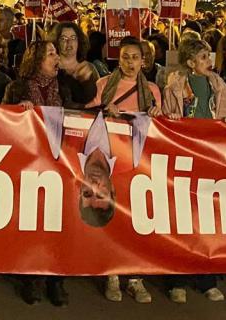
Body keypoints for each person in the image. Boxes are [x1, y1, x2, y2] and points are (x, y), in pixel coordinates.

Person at [85, 37, 161, 304]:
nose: (130, 63)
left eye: (135, 58)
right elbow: (86, 117)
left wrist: (156, 113)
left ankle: (134, 277)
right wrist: (104, 110)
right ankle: (113, 274)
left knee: (136, 220)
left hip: (139, 164)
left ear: (144, 61)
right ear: (119, 59)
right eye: (125, 57)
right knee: (114, 217)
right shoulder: (103, 85)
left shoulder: (152, 90)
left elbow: (159, 127)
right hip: (110, 162)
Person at [159, 38, 226, 304]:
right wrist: (173, 120)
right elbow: (167, 117)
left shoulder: (218, 84)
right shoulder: (176, 85)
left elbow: (224, 113)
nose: (208, 62)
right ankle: (176, 279)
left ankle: (205, 277)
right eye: (202, 58)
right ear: (190, 62)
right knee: (181, 218)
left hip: (209, 156)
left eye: (208, 57)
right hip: (184, 155)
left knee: (206, 219)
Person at [2, 41, 74, 306]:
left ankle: (55, 280)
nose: (57, 57)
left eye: (57, 53)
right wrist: (16, 113)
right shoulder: (17, 88)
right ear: (36, 59)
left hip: (58, 164)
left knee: (56, 224)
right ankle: (31, 279)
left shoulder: (64, 88)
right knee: (31, 224)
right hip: (28, 164)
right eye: (51, 53)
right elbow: (1, 123)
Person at [46, 22, 99, 106]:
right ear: (56, 42)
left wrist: (86, 83)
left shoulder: (89, 68)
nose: (69, 42)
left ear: (79, 41)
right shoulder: (49, 68)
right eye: (63, 38)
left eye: (73, 38)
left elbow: (97, 100)